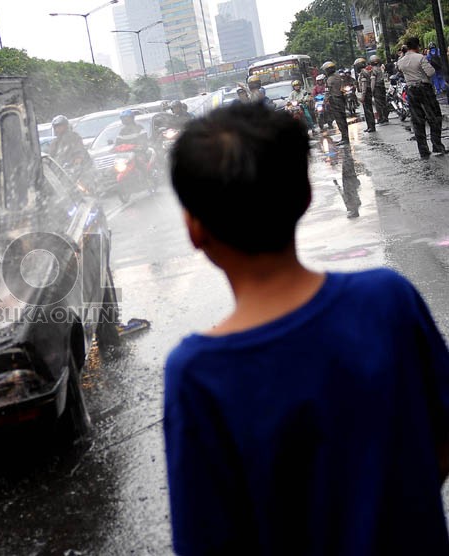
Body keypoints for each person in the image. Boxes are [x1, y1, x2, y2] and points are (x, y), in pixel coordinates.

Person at [164, 102, 449, 555]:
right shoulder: (388, 299)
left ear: (195, 230)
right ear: (305, 197)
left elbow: (208, 538)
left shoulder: (198, 372)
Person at [397, 36, 446, 158]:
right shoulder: (420, 58)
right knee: (434, 117)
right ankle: (437, 146)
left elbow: (399, 70)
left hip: (411, 90)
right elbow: (431, 72)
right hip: (424, 88)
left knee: (418, 120)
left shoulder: (401, 61)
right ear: (417, 46)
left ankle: (423, 150)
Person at [322, 60, 350, 144]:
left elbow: (327, 92)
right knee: (343, 118)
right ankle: (346, 136)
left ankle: (345, 138)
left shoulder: (329, 79)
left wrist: (324, 101)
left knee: (339, 119)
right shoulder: (339, 76)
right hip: (341, 99)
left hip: (335, 100)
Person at [354, 57, 376, 132]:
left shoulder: (363, 73)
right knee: (368, 110)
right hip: (368, 92)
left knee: (368, 111)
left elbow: (364, 86)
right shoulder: (366, 71)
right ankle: (370, 126)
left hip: (366, 93)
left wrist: (362, 96)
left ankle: (371, 126)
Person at [369, 54, 390, 124]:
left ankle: (381, 118)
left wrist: (371, 90)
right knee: (383, 102)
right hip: (382, 86)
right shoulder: (379, 69)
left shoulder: (373, 70)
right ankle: (386, 117)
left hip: (377, 88)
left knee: (378, 104)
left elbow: (373, 81)